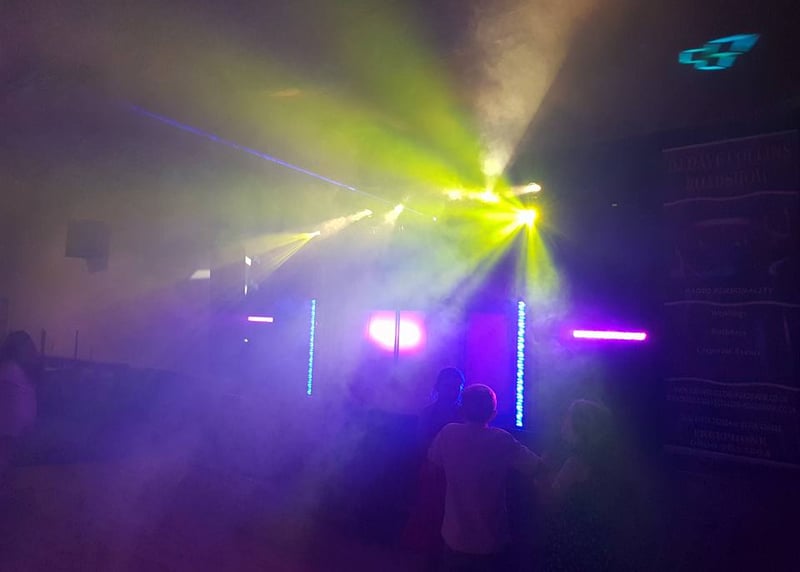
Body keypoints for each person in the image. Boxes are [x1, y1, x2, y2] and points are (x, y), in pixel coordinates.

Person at [429, 384, 542, 571]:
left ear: (462, 410)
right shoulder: (502, 440)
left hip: (454, 536)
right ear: (493, 413)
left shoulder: (448, 433)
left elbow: (433, 461)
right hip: (491, 539)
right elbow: (535, 467)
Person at [543, 399, 619, 572]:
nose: (563, 421)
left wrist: (541, 474)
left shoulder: (576, 462)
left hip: (574, 537)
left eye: (568, 417)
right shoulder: (599, 458)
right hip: (595, 536)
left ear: (579, 426)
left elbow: (551, 498)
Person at [0, 331, 40, 484]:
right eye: (28, 348)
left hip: (16, 436)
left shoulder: (17, 373)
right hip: (11, 435)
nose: (32, 351)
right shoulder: (11, 373)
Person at [418, 367, 465, 450]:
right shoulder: (427, 413)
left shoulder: (465, 414)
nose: (451, 391)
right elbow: (421, 443)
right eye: (447, 386)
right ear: (438, 387)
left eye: (455, 387)